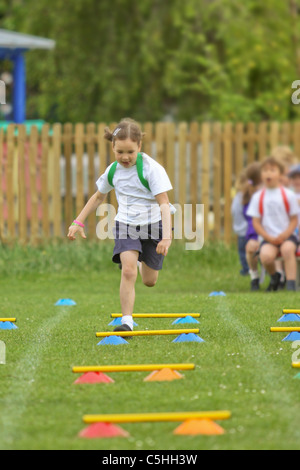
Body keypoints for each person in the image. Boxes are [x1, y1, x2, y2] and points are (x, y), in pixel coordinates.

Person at [67, 118, 173, 332]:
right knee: (127, 271)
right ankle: (126, 322)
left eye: (130, 152)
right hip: (126, 224)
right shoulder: (113, 171)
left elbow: (164, 203)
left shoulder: (152, 169)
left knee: (150, 281)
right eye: (120, 152)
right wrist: (78, 221)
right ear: (113, 147)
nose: (125, 157)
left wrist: (167, 236)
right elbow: (98, 197)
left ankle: (140, 260)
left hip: (154, 224)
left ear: (139, 147)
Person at [247, 156, 299, 292]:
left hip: (287, 236)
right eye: (265, 170)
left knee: (287, 250)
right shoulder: (258, 197)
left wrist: (285, 234)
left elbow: (294, 219)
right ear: (261, 175)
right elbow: (256, 222)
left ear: (280, 174)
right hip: (269, 238)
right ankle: (275, 276)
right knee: (265, 256)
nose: (268, 173)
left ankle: (291, 284)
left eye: (272, 170)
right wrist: (268, 237)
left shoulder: (288, 195)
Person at [241, 163, 262, 291]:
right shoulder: (249, 197)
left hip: (275, 233)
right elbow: (251, 220)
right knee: (250, 247)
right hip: (256, 233)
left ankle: (280, 278)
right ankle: (254, 277)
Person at [231, 169, 249, 276]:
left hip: (241, 229)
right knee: (244, 252)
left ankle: (246, 269)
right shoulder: (243, 197)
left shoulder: (238, 197)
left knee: (243, 252)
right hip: (245, 229)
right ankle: (247, 269)